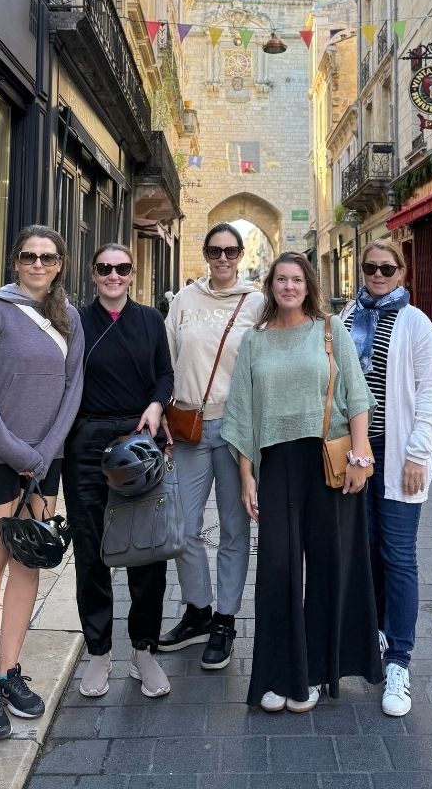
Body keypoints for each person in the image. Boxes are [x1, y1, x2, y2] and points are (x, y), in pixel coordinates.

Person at [222, 252, 382, 713]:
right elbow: (243, 412)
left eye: (296, 279)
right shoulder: (255, 340)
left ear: (308, 285)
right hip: (276, 463)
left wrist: (360, 454)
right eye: (280, 280)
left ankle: (316, 671)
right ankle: (278, 673)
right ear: (270, 287)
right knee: (277, 569)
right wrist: (246, 477)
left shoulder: (330, 331)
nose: (288, 286)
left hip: (328, 460)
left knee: (332, 566)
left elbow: (356, 395)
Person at [0, 226, 85, 740]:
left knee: (28, 564)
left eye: (47, 258)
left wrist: (44, 455)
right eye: (29, 257)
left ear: (60, 265)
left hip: (43, 461)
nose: (38, 265)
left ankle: (11, 670)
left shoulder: (69, 318)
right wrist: (17, 453)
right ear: (16, 261)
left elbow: (72, 391)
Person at [64, 243, 175, 699]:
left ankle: (143, 650)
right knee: (91, 551)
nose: (114, 275)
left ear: (132, 274)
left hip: (138, 441)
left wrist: (154, 406)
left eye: (122, 268)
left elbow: (165, 375)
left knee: (147, 548)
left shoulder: (150, 320)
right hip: (87, 442)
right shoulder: (74, 321)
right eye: (105, 268)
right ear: (93, 274)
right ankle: (98, 651)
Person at [340, 240, 432, 718]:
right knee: (366, 548)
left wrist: (419, 452)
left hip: (399, 451)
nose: (377, 274)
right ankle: (377, 630)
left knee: (399, 554)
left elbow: (429, 395)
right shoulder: (345, 320)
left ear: (402, 272)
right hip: (355, 453)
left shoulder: (416, 323)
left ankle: (399, 658)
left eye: (386, 268)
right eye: (370, 267)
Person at [157, 224, 264, 670]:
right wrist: (159, 410)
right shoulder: (183, 300)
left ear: (240, 255)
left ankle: (225, 619)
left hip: (237, 429)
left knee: (236, 531)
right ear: (204, 254)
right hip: (188, 428)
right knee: (182, 527)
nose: (222, 259)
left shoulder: (256, 302)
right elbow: (164, 358)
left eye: (231, 251)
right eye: (215, 251)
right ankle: (198, 610)